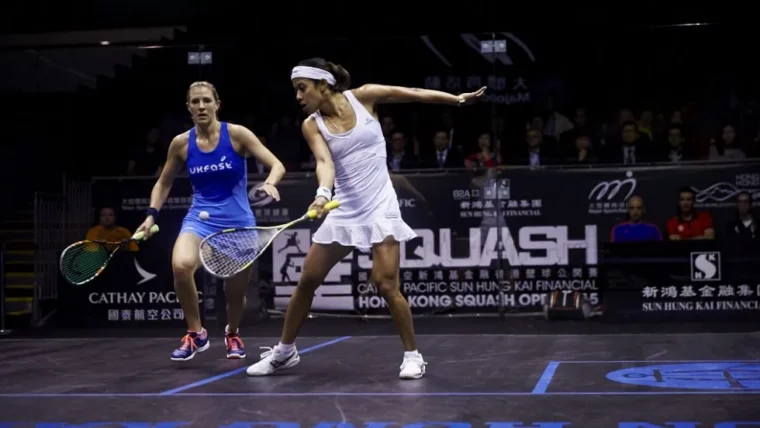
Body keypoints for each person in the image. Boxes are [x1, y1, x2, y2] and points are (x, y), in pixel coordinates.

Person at [246, 58, 486, 379]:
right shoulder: (311, 125)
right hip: (344, 207)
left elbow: (412, 93)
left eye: (302, 88)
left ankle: (412, 356)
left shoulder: (365, 96)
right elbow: (325, 163)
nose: (298, 96)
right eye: (296, 90)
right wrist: (322, 194)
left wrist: (455, 99)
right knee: (308, 280)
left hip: (380, 206)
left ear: (323, 85)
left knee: (386, 284)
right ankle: (285, 352)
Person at [134, 81, 286, 362]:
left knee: (234, 294)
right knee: (181, 266)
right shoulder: (181, 143)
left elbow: (277, 164)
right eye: (195, 102)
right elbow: (163, 183)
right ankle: (196, 333)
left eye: (206, 100)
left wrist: (270, 183)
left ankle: (232, 332)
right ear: (189, 107)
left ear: (217, 104)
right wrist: (151, 214)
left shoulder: (237, 134)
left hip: (239, 223)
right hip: (200, 219)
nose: (201, 106)